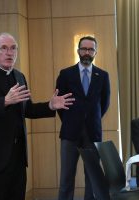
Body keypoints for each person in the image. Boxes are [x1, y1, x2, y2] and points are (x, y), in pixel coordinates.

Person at [0, 32, 75, 200]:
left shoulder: (19, 76)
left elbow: (27, 110)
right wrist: (4, 101)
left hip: (17, 159)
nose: (9, 53)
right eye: (4, 48)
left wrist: (49, 105)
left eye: (13, 48)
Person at [55, 36, 110, 200]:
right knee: (66, 179)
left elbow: (104, 104)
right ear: (78, 51)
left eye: (90, 49)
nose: (87, 52)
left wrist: (92, 119)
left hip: (93, 134)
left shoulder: (103, 75)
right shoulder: (65, 74)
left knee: (92, 179)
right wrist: (72, 119)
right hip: (70, 133)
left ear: (95, 52)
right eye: (84, 49)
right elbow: (60, 104)